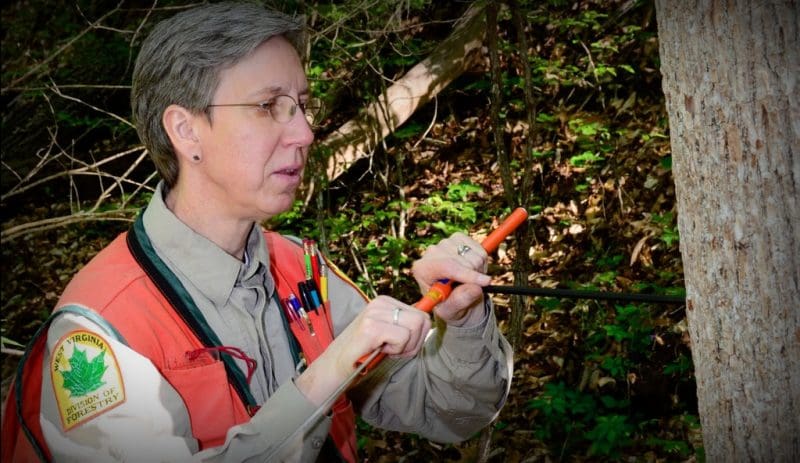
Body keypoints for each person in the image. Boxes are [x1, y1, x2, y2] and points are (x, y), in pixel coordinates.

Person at [1, 2, 512, 462]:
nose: (306, 133)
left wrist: (461, 320)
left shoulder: (300, 270)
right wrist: (330, 370)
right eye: (269, 106)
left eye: (302, 105)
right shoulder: (97, 332)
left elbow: (453, 414)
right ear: (186, 131)